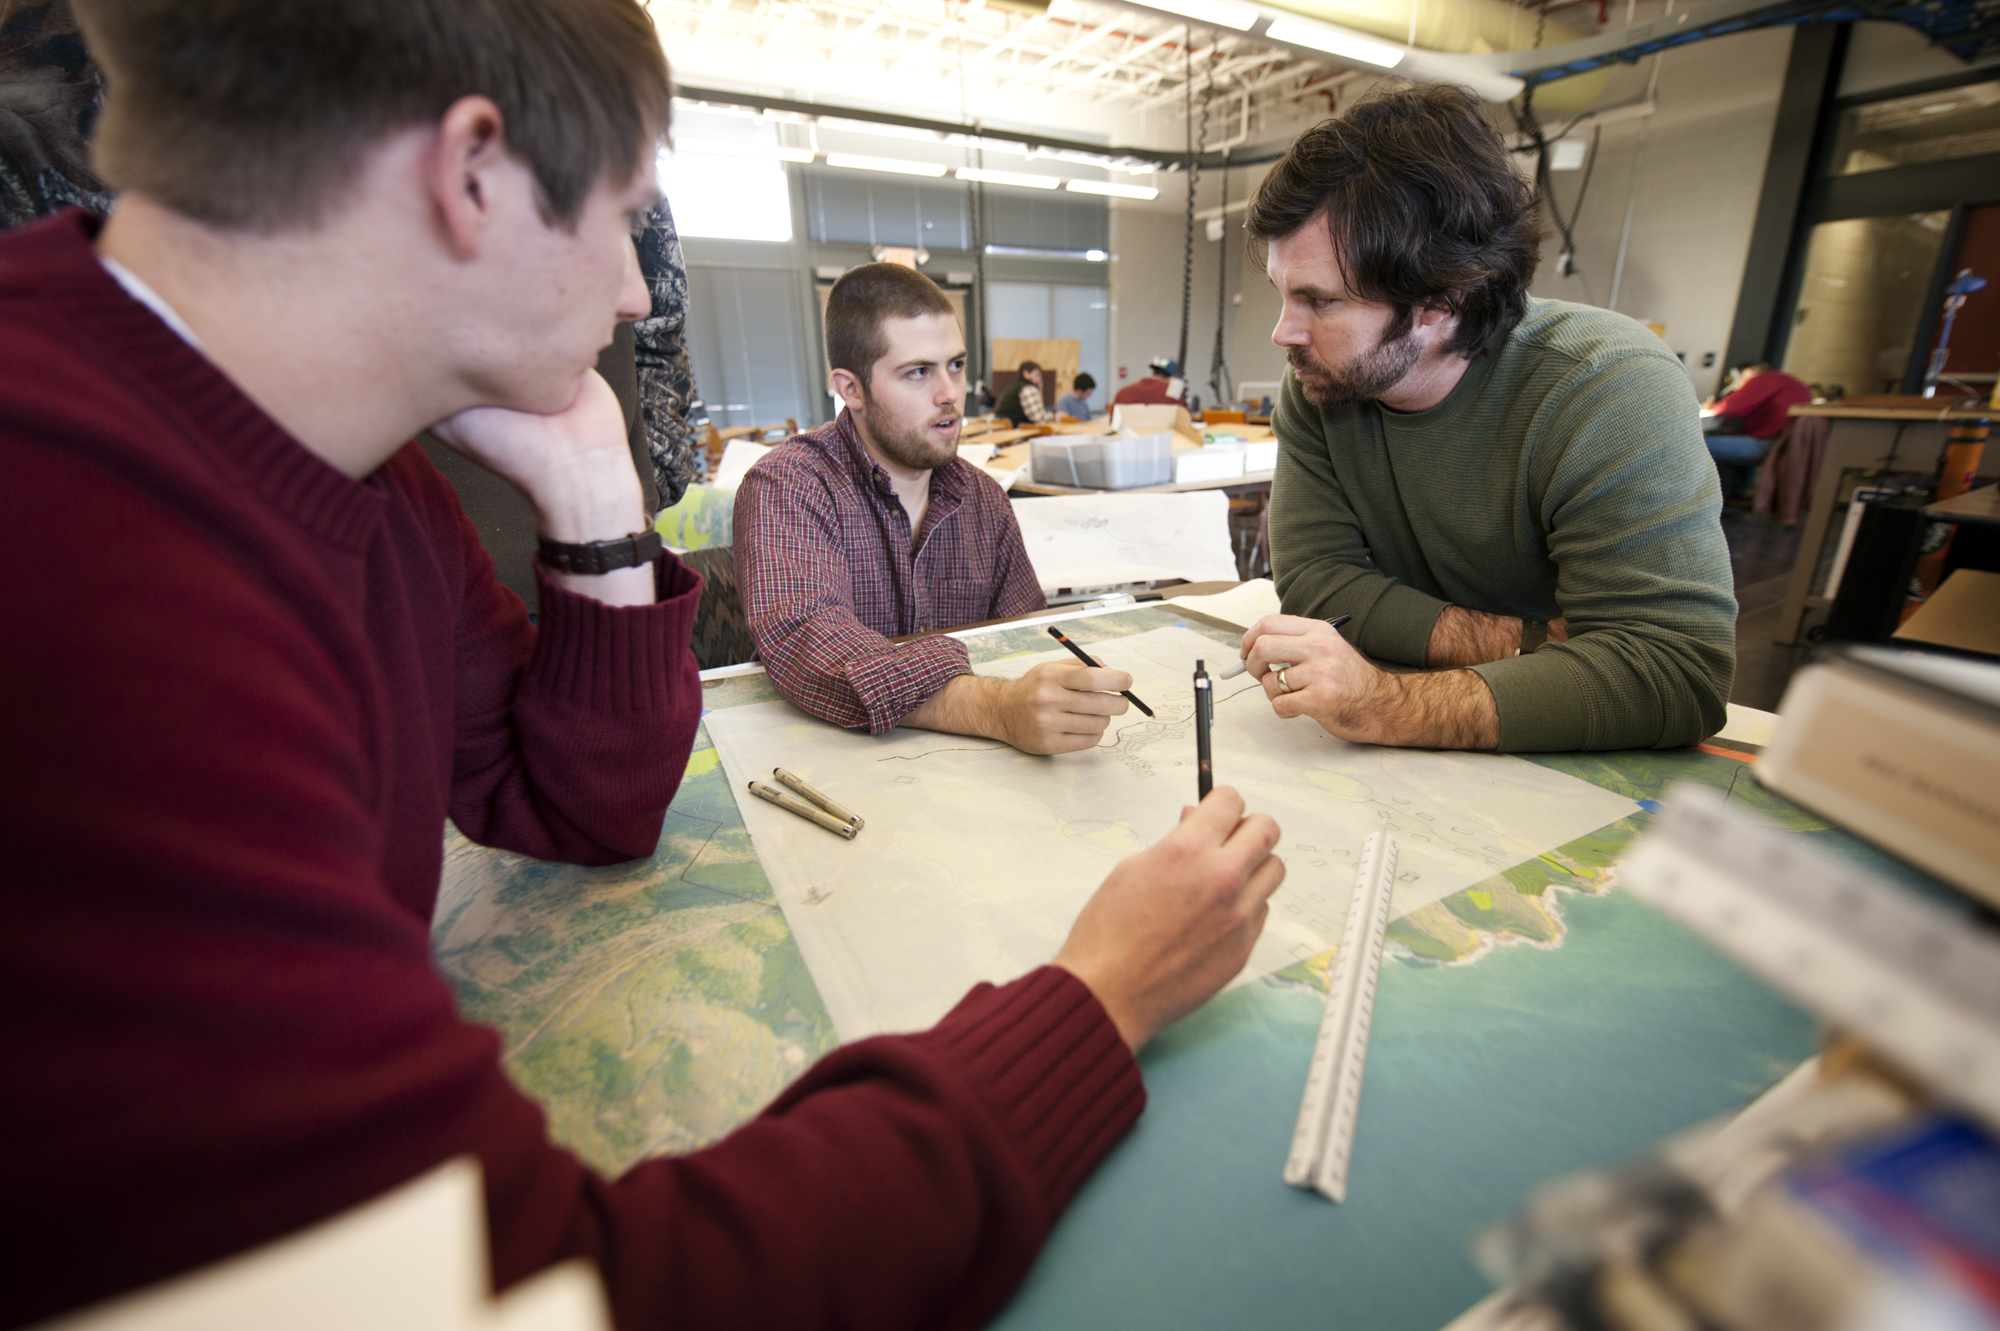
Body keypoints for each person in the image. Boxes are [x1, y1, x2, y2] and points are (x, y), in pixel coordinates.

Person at [0, 8, 1289, 1331]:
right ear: (474, 175)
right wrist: (1101, 996)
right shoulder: (72, 558)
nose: (634, 293)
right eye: (624, 219)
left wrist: (593, 493)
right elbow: (562, 1293)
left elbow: (585, 808)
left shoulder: (365, 478)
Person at [1243, 84, 1735, 754]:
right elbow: (1319, 583)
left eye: (1319, 301)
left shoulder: (1608, 387)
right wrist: (1530, 644)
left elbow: (1674, 670)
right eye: (1282, 293)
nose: (1284, 333)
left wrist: (1387, 703)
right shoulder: (1321, 386)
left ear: (1443, 301)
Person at [736, 263, 1139, 752]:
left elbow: (1026, 639)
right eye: (918, 372)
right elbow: (811, 644)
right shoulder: (790, 484)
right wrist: (995, 708)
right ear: (851, 389)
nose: (950, 394)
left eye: (956, 364)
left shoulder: (983, 498)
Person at [1701, 362, 1813, 498]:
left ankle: (1690, 500)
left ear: (1749, 372)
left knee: (1694, 444)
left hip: (1767, 444)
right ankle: (1738, 494)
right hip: (1784, 444)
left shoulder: (1764, 380)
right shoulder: (1788, 381)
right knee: (1739, 437)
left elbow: (1731, 407)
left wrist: (1712, 407)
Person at [993, 357, 1052, 425]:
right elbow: (1038, 419)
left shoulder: (1015, 386)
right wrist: (1054, 417)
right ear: (1026, 373)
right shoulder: (1028, 389)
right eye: (1037, 375)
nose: (1040, 378)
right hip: (1014, 428)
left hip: (1004, 426)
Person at [1113, 355, 1186, 407]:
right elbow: (1186, 421)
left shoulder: (1123, 392)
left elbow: (1113, 421)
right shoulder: (1175, 395)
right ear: (1172, 378)